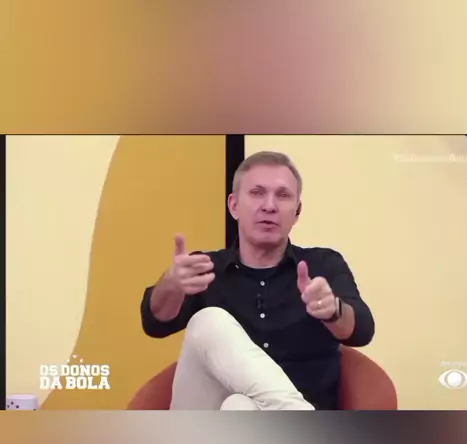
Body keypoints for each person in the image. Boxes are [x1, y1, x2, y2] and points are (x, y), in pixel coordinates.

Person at [140, 151, 375, 410]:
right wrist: (171, 284)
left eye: (283, 195)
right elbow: (154, 323)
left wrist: (333, 311)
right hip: (212, 425)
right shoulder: (205, 269)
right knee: (207, 321)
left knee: (240, 406)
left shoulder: (322, 265)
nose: (269, 206)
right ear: (233, 206)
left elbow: (362, 331)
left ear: (297, 211)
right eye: (257, 193)